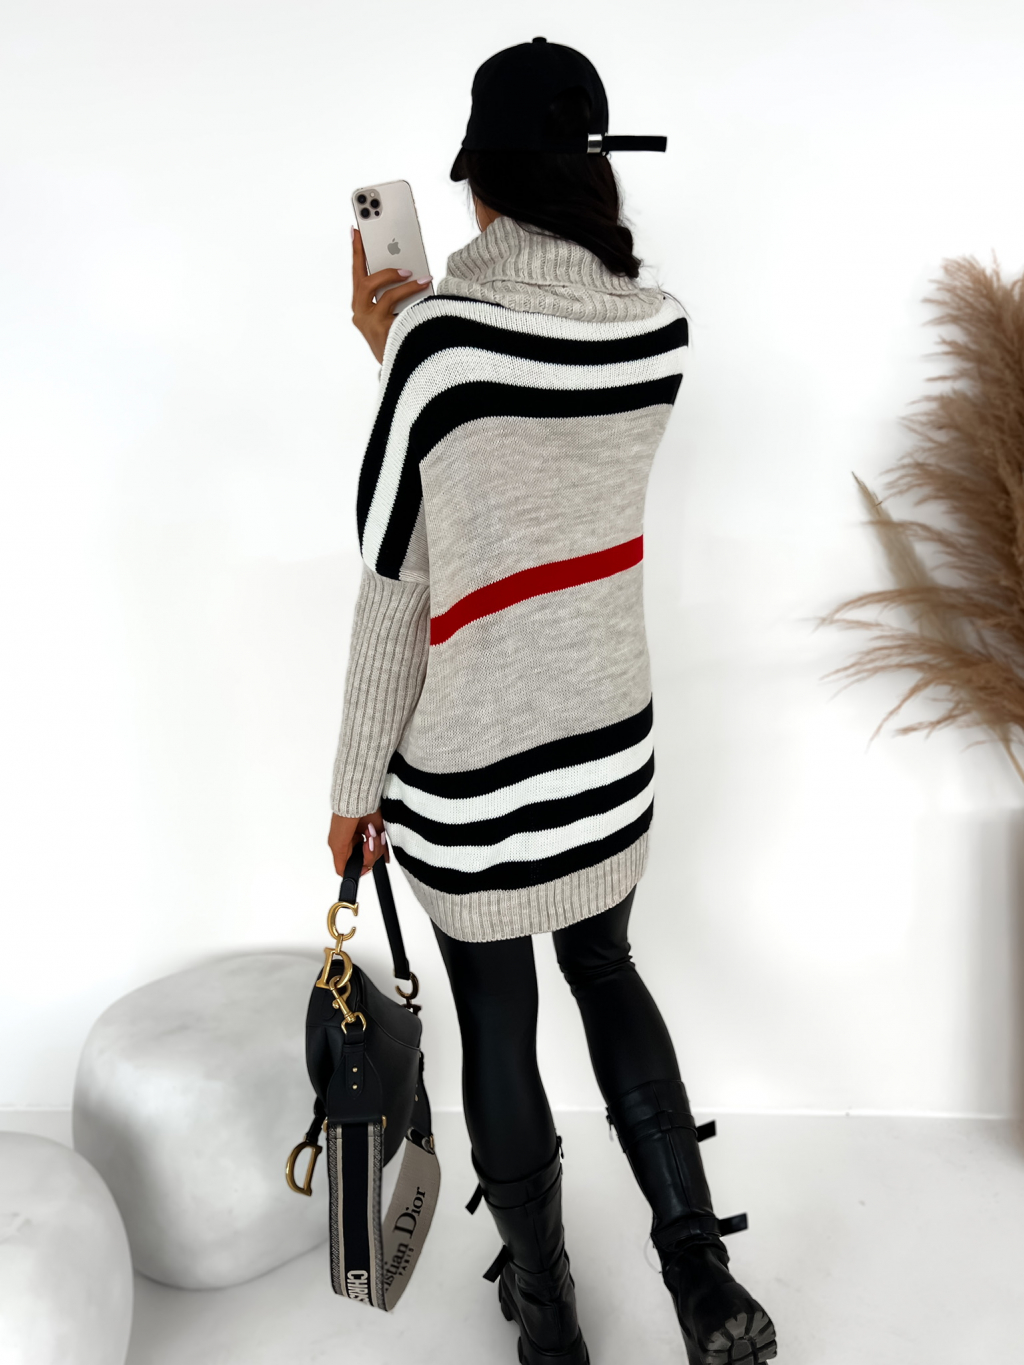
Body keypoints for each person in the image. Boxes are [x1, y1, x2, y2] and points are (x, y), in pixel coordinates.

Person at [327, 37, 777, 1365]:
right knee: (608, 969)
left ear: (480, 181)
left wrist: (353, 788)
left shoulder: (435, 344)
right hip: (606, 748)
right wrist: (417, 348)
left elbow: (400, 581)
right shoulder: (658, 330)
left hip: (475, 770)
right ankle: (703, 1275)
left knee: (499, 1021)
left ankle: (548, 1312)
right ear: (591, 173)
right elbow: (529, 468)